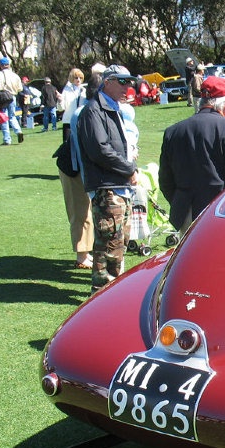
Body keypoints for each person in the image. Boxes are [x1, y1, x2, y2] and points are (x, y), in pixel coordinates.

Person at [76, 64, 140, 293]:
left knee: (120, 243)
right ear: (107, 81)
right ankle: (102, 296)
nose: (128, 86)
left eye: (130, 81)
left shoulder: (114, 109)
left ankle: (112, 294)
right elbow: (99, 150)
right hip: (108, 188)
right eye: (123, 81)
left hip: (119, 187)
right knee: (109, 245)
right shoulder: (94, 111)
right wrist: (129, 169)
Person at [159, 76, 225, 232]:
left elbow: (165, 180)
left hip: (186, 212)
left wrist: (181, 201)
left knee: (191, 256)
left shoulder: (174, 131)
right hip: (221, 211)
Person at [58, 67, 93, 269]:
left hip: (80, 165)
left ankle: (86, 252)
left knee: (87, 211)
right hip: (72, 167)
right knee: (80, 211)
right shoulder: (83, 115)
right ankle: (81, 255)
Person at [0, 56, 24, 145]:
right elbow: (20, 88)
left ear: (1, 65)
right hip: (12, 97)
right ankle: (18, 131)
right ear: (8, 65)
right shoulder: (15, 75)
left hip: (1, 97)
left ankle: (7, 139)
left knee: (3, 118)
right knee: (12, 116)